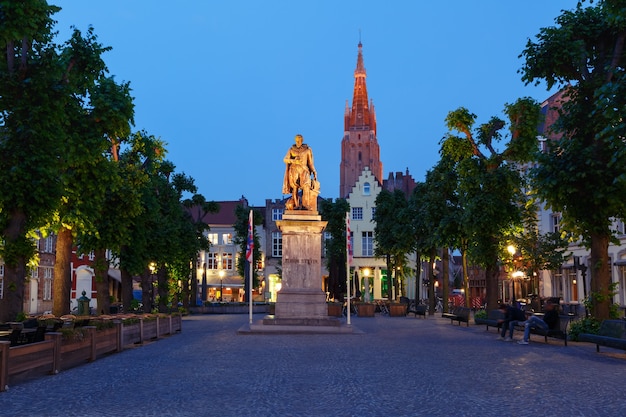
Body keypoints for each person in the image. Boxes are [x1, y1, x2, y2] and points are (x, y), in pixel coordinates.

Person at [282, 134, 318, 210]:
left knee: (306, 187)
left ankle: (306, 205)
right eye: (297, 140)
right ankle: (296, 205)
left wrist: (314, 171)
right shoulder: (291, 149)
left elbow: (310, 163)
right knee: (295, 188)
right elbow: (285, 159)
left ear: (302, 140)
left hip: (304, 170)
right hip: (294, 170)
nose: (298, 142)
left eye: (300, 140)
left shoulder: (307, 150)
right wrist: (293, 161)